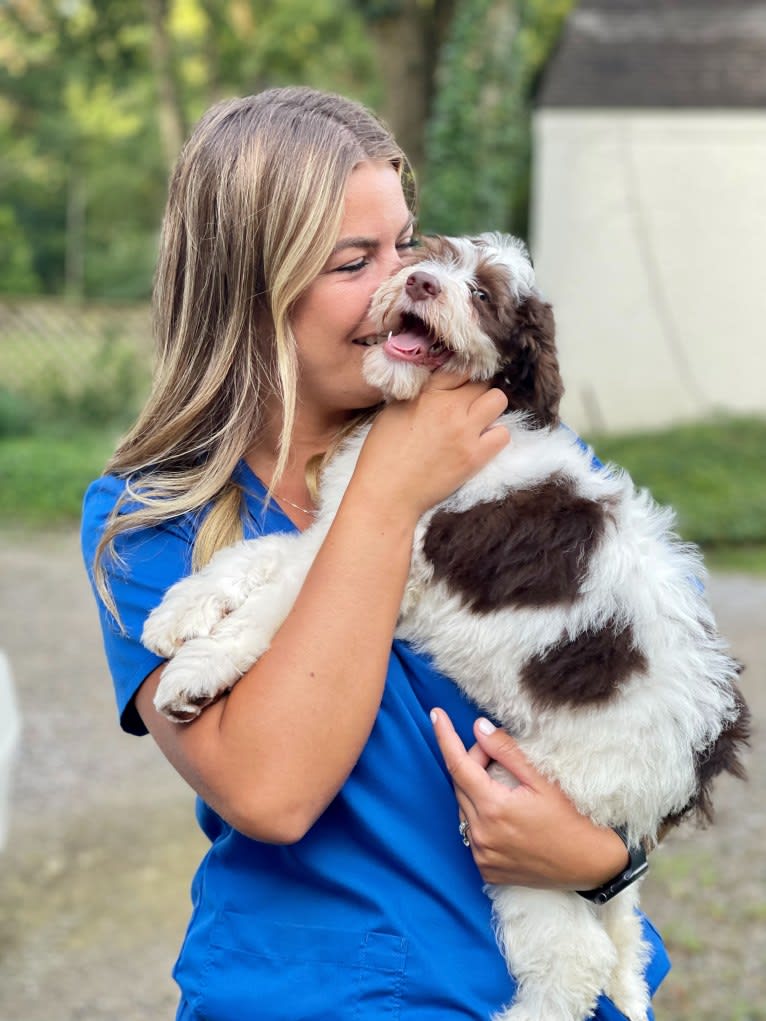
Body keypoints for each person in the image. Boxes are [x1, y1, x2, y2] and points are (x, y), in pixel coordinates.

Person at [81, 87, 669, 1020]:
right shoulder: (153, 519)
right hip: (320, 999)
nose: (404, 279)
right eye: (356, 260)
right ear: (249, 289)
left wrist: (607, 862)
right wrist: (387, 492)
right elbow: (271, 794)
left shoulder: (519, 463)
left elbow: (646, 717)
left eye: (408, 243)